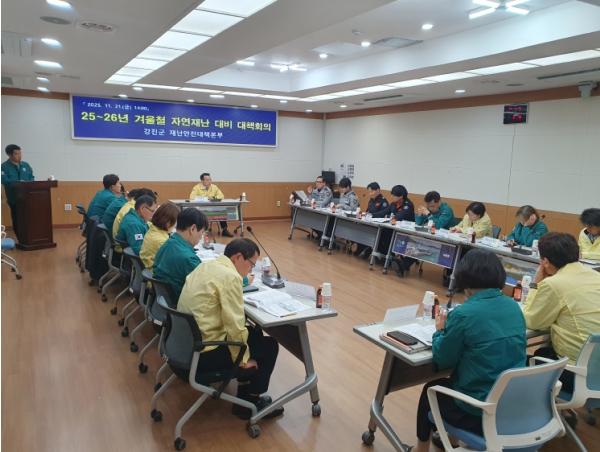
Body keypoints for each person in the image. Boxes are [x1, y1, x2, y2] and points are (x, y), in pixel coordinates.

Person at [413, 249, 526, 452]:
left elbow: (443, 359)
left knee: (432, 389)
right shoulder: (513, 306)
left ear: (464, 280)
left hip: (480, 411)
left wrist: (440, 331)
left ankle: (420, 449)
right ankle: (452, 441)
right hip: (511, 405)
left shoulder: (463, 314)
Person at [178, 238, 284, 420]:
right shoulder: (230, 276)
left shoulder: (206, 266)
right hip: (204, 354)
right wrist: (243, 360)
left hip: (184, 345)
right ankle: (250, 403)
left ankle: (244, 395)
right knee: (269, 346)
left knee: (254, 332)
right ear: (238, 257)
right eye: (251, 264)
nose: (250, 270)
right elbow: (235, 325)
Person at [523, 232, 600, 393]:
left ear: (545, 261)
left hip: (577, 375)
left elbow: (532, 321)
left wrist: (535, 284)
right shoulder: (595, 276)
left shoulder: (554, 284)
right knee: (544, 350)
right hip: (595, 368)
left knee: (520, 361)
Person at [153, 208, 207, 302]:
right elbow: (206, 287)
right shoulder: (189, 259)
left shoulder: (167, 244)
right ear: (193, 229)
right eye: (202, 232)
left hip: (162, 303)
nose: (201, 237)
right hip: (181, 305)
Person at [1, 144, 34, 241]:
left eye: (20, 153)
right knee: (17, 219)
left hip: (28, 197)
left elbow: (31, 177)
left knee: (29, 218)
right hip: (14, 199)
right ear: (9, 155)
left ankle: (30, 237)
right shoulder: (3, 167)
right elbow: (4, 180)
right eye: (16, 154)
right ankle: (21, 238)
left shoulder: (26, 165)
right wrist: (18, 183)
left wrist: (29, 182)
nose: (19, 155)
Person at [383, 185, 415, 274]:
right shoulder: (394, 204)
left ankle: (397, 262)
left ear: (401, 196)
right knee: (383, 233)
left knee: (387, 235)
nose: (392, 197)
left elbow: (399, 217)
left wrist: (388, 217)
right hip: (394, 229)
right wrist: (371, 214)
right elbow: (384, 212)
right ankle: (391, 258)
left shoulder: (408, 205)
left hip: (406, 232)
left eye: (394, 195)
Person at [190, 172, 233, 237]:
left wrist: (214, 198)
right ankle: (202, 231)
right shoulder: (197, 187)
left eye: (210, 179)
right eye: (207, 180)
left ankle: (224, 230)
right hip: (201, 208)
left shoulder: (214, 187)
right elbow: (192, 197)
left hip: (213, 208)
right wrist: (206, 198)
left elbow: (221, 196)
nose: (210, 181)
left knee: (222, 210)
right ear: (202, 181)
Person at [140, 202, 179, 270]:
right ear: (168, 222)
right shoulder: (162, 241)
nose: (175, 225)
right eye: (176, 222)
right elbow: (176, 261)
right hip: (157, 273)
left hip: (150, 268)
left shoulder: (153, 229)